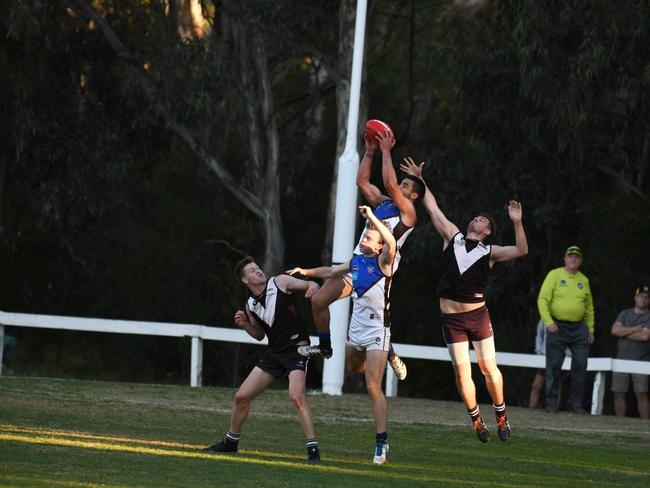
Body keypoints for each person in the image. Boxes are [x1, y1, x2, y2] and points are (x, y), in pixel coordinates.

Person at [400, 157, 528, 443]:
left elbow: (521, 250)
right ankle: (476, 419)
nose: (476, 219)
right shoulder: (453, 237)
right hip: (452, 319)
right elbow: (432, 207)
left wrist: (517, 222)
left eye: (482, 220)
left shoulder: (490, 251)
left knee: (488, 369)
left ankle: (500, 414)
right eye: (476, 217)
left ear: (488, 231)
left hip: (478, 316)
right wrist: (421, 180)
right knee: (462, 373)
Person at [301, 129, 423, 382]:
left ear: (413, 196)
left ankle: (387, 351)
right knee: (318, 303)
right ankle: (324, 345)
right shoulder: (384, 203)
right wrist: (369, 153)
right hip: (357, 265)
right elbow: (362, 183)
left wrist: (386, 150)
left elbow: (389, 183)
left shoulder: (408, 213)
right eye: (402, 182)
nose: (400, 185)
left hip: (378, 272)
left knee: (364, 356)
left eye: (406, 185)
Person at [288, 205, 396, 464]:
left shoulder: (385, 261)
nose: (366, 238)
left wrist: (371, 217)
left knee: (373, 386)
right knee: (353, 368)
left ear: (380, 246)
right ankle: (386, 355)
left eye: (370, 237)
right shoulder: (356, 262)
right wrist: (307, 272)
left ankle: (381, 443)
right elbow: (331, 271)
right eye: (365, 235)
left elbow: (391, 241)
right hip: (356, 328)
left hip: (377, 328)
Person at [202, 256, 322, 462]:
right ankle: (231, 443)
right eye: (251, 270)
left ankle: (313, 451)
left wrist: (313, 287)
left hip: (297, 350)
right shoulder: (250, 305)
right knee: (241, 397)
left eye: (257, 267)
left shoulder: (280, 282)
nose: (258, 271)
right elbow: (259, 335)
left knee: (296, 396)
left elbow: (312, 282)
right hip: (274, 354)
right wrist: (245, 325)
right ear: (245, 280)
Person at [537, 245, 595, 415]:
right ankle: (550, 404)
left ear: (581, 261)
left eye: (577, 257)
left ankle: (575, 405)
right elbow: (542, 300)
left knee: (580, 366)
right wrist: (548, 322)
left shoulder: (584, 280)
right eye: (570, 256)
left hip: (579, 329)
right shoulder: (554, 275)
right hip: (557, 326)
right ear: (565, 258)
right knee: (553, 366)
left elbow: (589, 307)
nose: (573, 259)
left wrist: (590, 329)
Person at [610, 285, 650, 419]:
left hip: (642, 360)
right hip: (621, 359)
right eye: (640, 296)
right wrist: (635, 329)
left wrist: (624, 332)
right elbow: (614, 331)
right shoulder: (624, 313)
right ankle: (620, 421)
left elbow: (644, 337)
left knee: (641, 393)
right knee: (618, 393)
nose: (643, 299)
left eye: (646, 297)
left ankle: (645, 423)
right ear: (635, 298)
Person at [528, 318, 571, 409]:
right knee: (536, 385)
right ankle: (531, 408)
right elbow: (539, 334)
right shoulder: (544, 318)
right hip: (544, 356)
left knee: (556, 385)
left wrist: (567, 353)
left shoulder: (566, 318)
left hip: (560, 356)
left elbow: (570, 339)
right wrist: (539, 351)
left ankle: (554, 410)